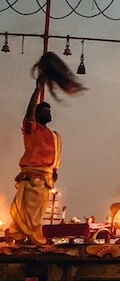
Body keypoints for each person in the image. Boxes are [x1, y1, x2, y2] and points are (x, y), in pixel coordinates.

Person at [6, 78, 60, 245]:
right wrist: (37, 89)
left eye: (50, 111)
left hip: (46, 179)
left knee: (38, 213)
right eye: (45, 111)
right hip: (32, 177)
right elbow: (29, 113)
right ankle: (22, 238)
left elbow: (56, 157)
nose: (49, 113)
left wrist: (54, 171)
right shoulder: (32, 128)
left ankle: (32, 237)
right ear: (37, 114)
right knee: (27, 211)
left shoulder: (54, 135)